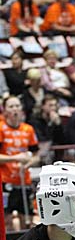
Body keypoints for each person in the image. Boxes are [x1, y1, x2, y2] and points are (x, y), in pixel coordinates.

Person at [0, 96, 40, 231]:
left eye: (17, 106)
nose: (15, 109)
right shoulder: (1, 128)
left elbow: (36, 155)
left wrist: (29, 162)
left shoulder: (28, 129)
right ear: (5, 110)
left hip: (24, 181)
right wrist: (15, 158)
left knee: (26, 220)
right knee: (6, 221)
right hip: (6, 181)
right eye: (11, 106)